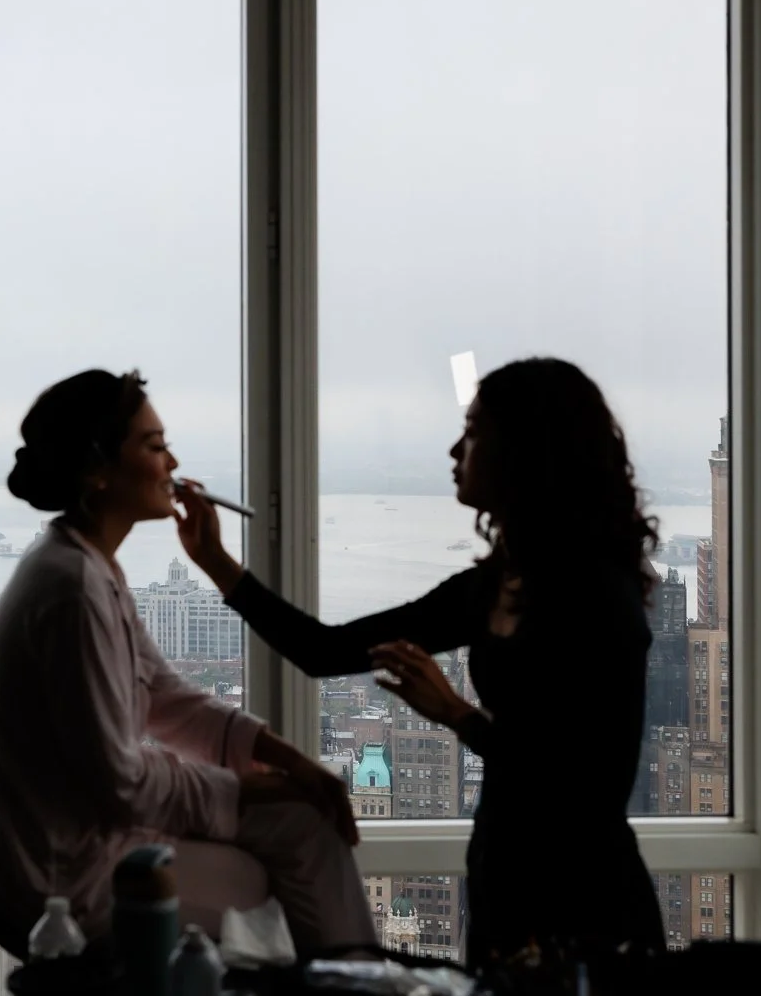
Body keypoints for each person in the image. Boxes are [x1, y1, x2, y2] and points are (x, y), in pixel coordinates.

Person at [172, 356, 667, 963]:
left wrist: (458, 715)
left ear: (525, 451)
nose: (456, 448)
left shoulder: (599, 598)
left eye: (475, 430)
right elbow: (325, 651)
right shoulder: (491, 587)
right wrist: (217, 564)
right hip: (502, 884)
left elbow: (587, 785)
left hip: (585, 900)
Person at [0, 369, 373, 960]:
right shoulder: (73, 590)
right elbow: (121, 784)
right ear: (98, 469)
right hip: (69, 876)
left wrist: (296, 767)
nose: (173, 462)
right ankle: (349, 978)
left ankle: (344, 975)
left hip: (75, 844)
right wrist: (244, 791)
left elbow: (166, 697)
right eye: (155, 446)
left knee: (302, 823)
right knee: (284, 858)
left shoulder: (88, 568)